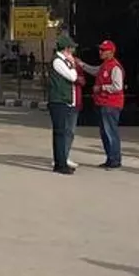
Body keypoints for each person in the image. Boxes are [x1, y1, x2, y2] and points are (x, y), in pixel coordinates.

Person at [46, 35, 92, 175]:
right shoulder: (58, 61)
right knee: (60, 133)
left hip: (64, 100)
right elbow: (72, 77)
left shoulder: (62, 61)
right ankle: (60, 164)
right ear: (66, 49)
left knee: (62, 132)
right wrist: (72, 64)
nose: (73, 51)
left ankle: (61, 161)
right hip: (58, 101)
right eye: (71, 49)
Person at [93, 40, 126, 170]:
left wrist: (102, 88)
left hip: (111, 104)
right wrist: (81, 65)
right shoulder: (104, 65)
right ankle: (110, 158)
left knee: (111, 132)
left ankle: (115, 160)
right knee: (105, 133)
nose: (100, 52)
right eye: (100, 49)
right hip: (102, 103)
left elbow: (118, 86)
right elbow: (94, 70)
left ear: (111, 52)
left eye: (103, 50)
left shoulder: (115, 67)